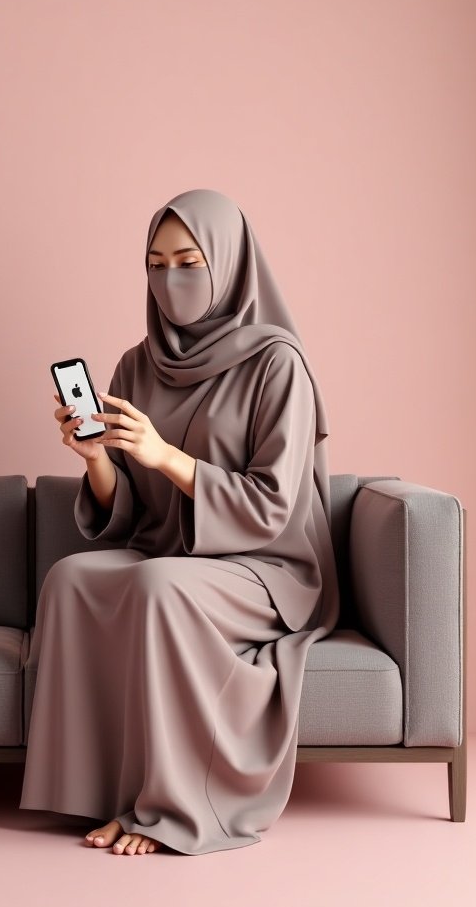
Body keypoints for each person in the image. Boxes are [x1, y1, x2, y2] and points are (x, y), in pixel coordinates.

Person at [18, 188, 339, 856]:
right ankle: (95, 796)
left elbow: (275, 505)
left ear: (228, 264)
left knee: (160, 588)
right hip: (169, 551)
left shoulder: (277, 365)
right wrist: (99, 461)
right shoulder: (137, 364)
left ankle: (168, 807)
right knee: (71, 580)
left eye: (189, 262)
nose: (171, 281)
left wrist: (167, 456)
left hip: (264, 567)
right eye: (156, 264)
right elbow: (128, 511)